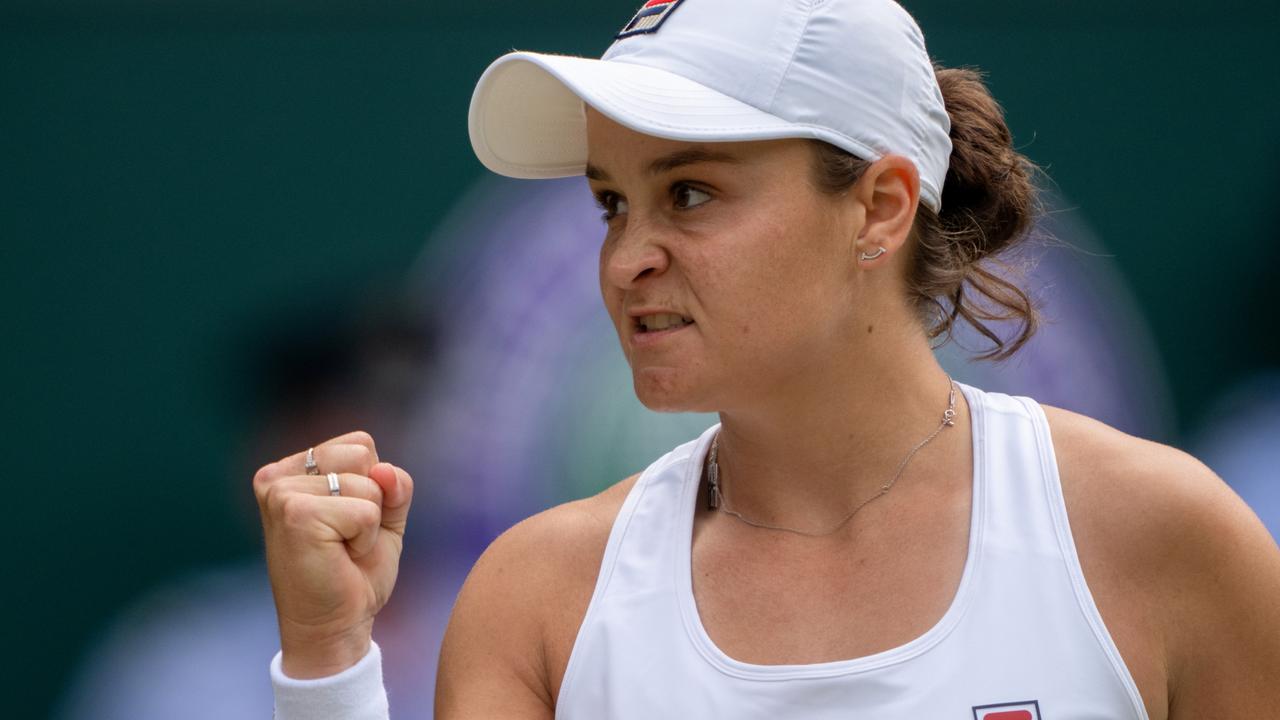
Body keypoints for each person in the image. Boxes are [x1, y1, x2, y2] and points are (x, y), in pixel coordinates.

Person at [254, 0, 1280, 718]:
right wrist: (329, 662)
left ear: (877, 207)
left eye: (689, 192)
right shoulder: (536, 597)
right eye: (612, 202)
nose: (623, 258)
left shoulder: (1165, 538)